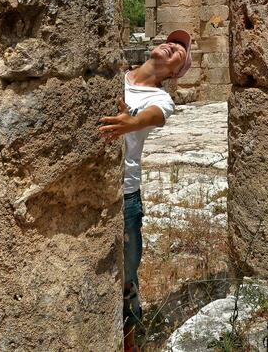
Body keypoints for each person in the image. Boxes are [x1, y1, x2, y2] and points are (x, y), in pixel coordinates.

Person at [98, 29, 193, 352]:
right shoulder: (110, 72)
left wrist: (131, 123)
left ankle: (128, 343)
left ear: (175, 72)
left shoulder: (160, 99)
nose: (172, 46)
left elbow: (156, 117)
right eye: (170, 41)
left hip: (126, 192)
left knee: (127, 275)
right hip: (88, 183)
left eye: (179, 51)